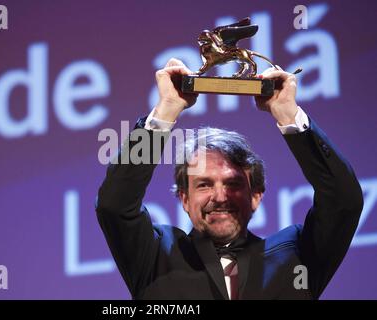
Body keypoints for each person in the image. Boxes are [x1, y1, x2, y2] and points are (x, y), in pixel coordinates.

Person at [96, 58, 363, 299]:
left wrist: (288, 114)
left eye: (233, 183)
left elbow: (343, 200)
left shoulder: (297, 256)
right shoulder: (154, 256)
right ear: (184, 199)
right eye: (204, 184)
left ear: (256, 195)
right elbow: (115, 203)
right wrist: (165, 112)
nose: (220, 196)